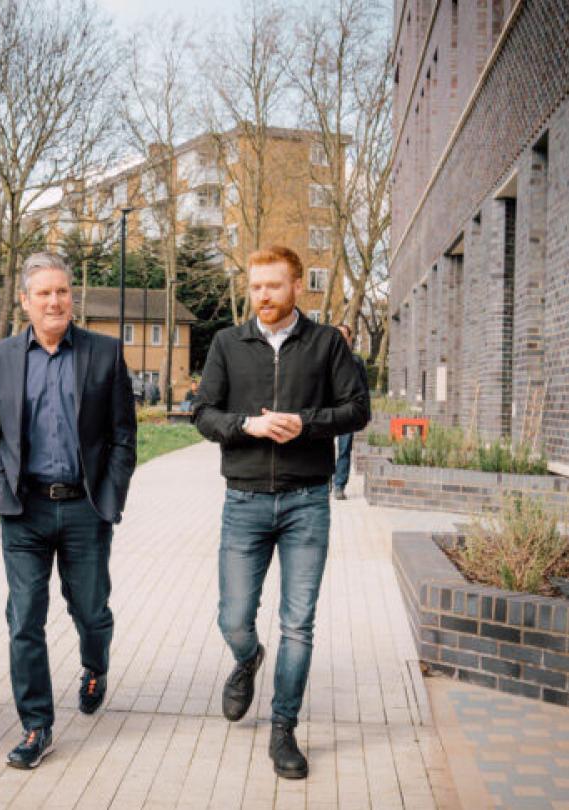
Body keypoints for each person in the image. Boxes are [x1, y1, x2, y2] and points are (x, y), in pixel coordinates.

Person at [192, 245, 369, 780]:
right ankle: (247, 658)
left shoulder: (325, 346)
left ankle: (284, 727)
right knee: (233, 617)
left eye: (274, 285)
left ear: (297, 286)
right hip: (243, 501)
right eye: (256, 286)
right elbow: (202, 412)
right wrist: (247, 425)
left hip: (306, 502)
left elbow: (357, 408)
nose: (263, 295)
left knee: (299, 624)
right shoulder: (227, 343)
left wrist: (305, 423)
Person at [0, 251, 137, 770]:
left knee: (90, 609)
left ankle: (95, 664)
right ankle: (36, 725)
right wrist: (1, 487)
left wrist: (109, 497)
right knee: (24, 618)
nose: (54, 301)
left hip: (85, 508)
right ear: (25, 300)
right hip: (25, 512)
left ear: (72, 297)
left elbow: (123, 436)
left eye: (62, 291)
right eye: (43, 293)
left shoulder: (105, 353)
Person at [331, 323, 369, 500]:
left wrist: (366, 412)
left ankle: (339, 485)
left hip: (348, 412)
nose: (340, 337)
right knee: (325, 448)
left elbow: (363, 389)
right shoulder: (324, 358)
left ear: (349, 338)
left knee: (344, 449)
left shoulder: (356, 361)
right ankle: (326, 483)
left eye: (344, 334)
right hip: (327, 411)